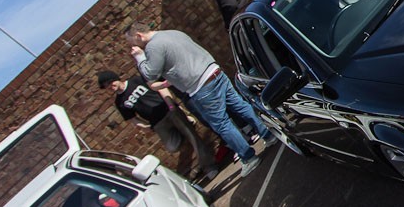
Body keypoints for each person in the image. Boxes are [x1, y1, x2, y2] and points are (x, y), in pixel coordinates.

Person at [124, 22, 276, 178]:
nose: (133, 46)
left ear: (138, 35)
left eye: (132, 42)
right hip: (214, 71)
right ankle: (269, 134)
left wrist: (139, 57)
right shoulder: (172, 32)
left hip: (201, 86)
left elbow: (150, 74)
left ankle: (248, 157)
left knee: (222, 124)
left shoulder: (153, 46)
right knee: (240, 106)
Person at [97, 70, 220, 181]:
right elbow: (133, 119)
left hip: (168, 111)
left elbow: (161, 88)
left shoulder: (136, 80)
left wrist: (171, 105)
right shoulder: (119, 102)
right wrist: (147, 126)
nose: (110, 87)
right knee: (172, 146)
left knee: (193, 138)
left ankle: (209, 167)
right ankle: (187, 126)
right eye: (106, 86)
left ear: (116, 78)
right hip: (157, 123)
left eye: (110, 82)